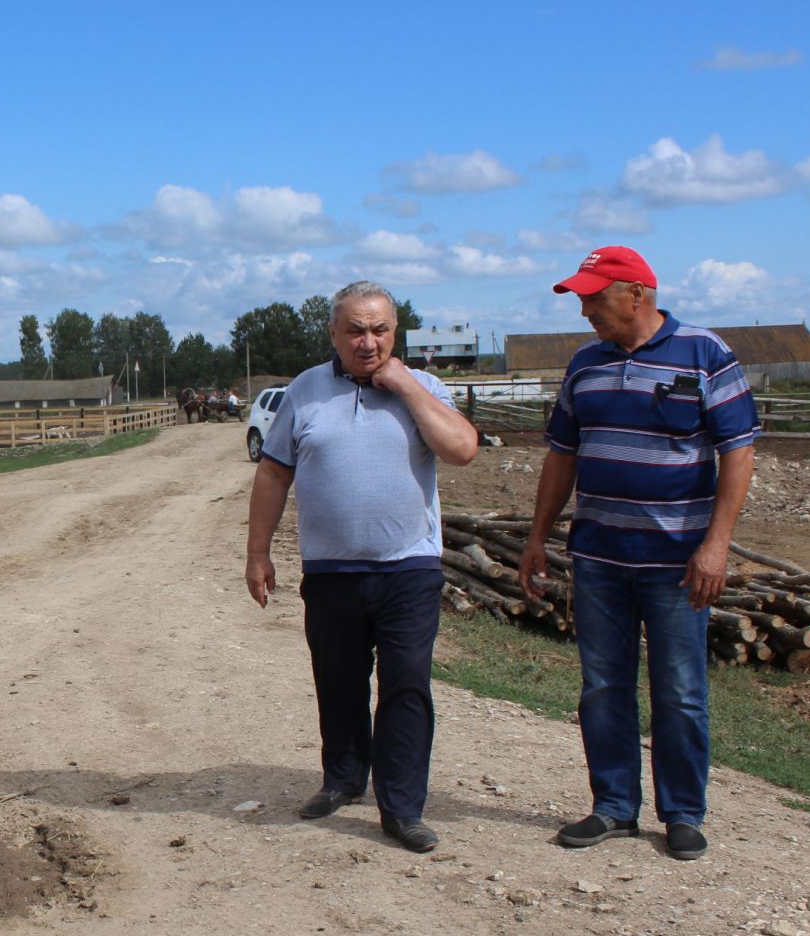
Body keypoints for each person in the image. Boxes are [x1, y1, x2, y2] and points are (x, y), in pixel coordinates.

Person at [518, 246, 758, 861]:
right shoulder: (585, 364)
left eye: (594, 297)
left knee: (679, 688)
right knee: (603, 685)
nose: (585, 310)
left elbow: (737, 452)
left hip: (677, 563)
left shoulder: (706, 354)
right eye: (581, 298)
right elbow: (561, 455)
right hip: (599, 556)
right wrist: (538, 537)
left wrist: (717, 545)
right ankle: (614, 807)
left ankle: (682, 812)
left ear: (636, 295)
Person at [246, 281, 478, 852]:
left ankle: (401, 808)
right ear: (333, 334)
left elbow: (462, 448)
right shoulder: (305, 391)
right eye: (355, 330)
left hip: (409, 569)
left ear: (395, 333)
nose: (367, 342)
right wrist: (257, 553)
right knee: (339, 681)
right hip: (331, 571)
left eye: (379, 330)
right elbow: (274, 474)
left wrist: (404, 386)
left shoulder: (423, 386)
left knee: (406, 686)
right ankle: (344, 779)